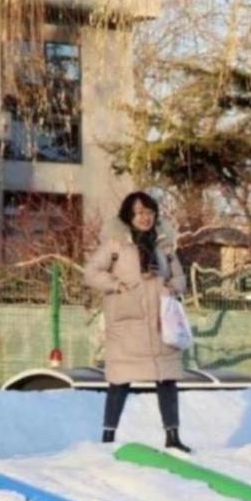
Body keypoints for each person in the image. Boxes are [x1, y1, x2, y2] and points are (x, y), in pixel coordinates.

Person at [83, 190, 191, 452]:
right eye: (140, 212)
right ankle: (108, 437)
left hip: (159, 322)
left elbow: (181, 278)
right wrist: (115, 285)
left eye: (150, 212)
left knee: (167, 380)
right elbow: (91, 272)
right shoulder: (115, 245)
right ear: (129, 216)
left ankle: (173, 436)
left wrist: (171, 288)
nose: (146, 218)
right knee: (120, 379)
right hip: (127, 323)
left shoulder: (164, 245)